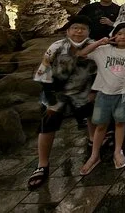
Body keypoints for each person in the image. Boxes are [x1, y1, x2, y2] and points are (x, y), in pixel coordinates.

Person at [27, 16, 97, 190]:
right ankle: (42, 164)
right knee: (47, 125)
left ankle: (93, 143)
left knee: (93, 117)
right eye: (75, 28)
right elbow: (44, 71)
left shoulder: (95, 46)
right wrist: (50, 98)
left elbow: (100, 70)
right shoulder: (56, 47)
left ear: (88, 31)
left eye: (83, 28)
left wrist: (95, 91)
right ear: (68, 31)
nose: (79, 31)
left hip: (83, 91)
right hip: (57, 92)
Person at [78, 23, 125, 175]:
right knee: (101, 125)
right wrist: (99, 42)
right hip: (104, 93)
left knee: (120, 123)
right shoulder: (104, 50)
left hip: (124, 94)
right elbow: (81, 54)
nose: (122, 37)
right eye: (119, 33)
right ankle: (94, 155)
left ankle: (118, 151)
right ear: (114, 35)